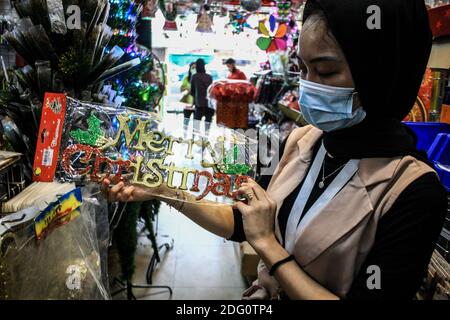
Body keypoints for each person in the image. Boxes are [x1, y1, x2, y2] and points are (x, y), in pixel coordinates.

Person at [101, 0, 447, 300]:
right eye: (303, 69)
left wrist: (269, 247)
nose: (309, 86)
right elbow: (243, 221)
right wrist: (164, 189)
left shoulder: (412, 192)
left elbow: (261, 234)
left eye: (325, 71)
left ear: (382, 73)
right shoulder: (305, 141)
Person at [190, 58, 213, 135]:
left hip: (199, 103)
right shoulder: (209, 77)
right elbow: (211, 90)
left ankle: (196, 139)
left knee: (197, 123)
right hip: (209, 104)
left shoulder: (195, 76)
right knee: (208, 122)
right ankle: (206, 136)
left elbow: (192, 91)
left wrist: (195, 100)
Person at [180, 62, 196, 133]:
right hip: (187, 103)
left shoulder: (199, 78)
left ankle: (194, 137)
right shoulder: (186, 78)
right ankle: (185, 135)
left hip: (196, 104)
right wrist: (187, 89)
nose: (194, 69)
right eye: (192, 68)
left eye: (195, 67)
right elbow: (182, 89)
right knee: (186, 121)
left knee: (196, 123)